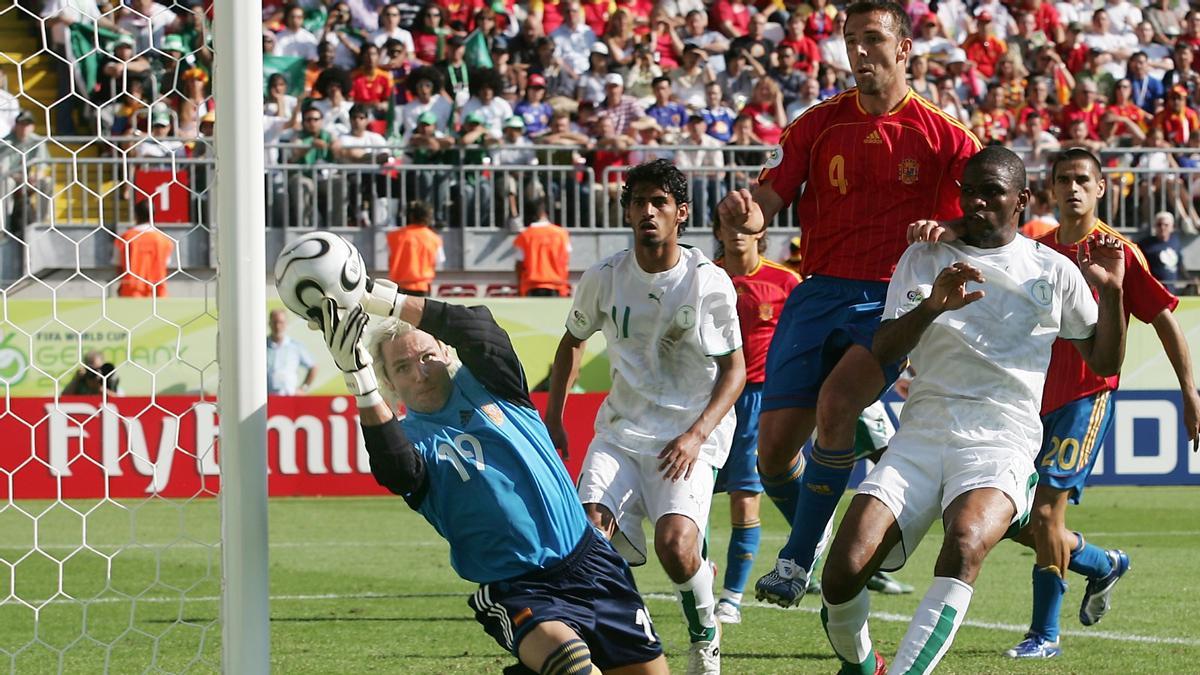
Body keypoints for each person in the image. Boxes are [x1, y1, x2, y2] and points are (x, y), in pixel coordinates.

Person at [820, 146, 1128, 674]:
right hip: (921, 436)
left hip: (1000, 441)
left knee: (963, 543)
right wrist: (932, 306)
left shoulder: (1050, 270)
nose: (978, 201)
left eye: (992, 192)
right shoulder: (924, 257)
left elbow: (1103, 360)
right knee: (841, 574)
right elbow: (886, 350)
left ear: (1022, 200)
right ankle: (863, 665)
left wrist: (1115, 296)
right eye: (970, 190)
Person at [716, 0, 981, 608]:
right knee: (774, 452)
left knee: (838, 406)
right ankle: (821, 531)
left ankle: (798, 556)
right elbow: (768, 197)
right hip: (816, 294)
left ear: (904, 47)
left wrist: (950, 229)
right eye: (851, 41)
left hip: (890, 298)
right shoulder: (817, 124)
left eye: (873, 40)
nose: (860, 52)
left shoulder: (945, 136)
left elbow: (987, 213)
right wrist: (749, 211)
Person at [321, 281, 667, 675]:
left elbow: (479, 329)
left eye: (427, 356)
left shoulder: (493, 384)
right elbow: (394, 467)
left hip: (593, 562)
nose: (419, 372)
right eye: (402, 367)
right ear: (389, 382)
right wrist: (358, 379)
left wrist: (377, 298)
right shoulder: (410, 438)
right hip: (520, 588)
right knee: (569, 662)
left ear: (446, 352)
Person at [546, 160, 745, 674]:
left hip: (686, 435)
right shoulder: (605, 277)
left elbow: (734, 371)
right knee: (588, 537)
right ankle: (613, 648)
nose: (647, 211)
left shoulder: (708, 282)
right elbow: (572, 343)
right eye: (638, 202)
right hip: (620, 432)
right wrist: (554, 418)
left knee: (676, 549)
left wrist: (697, 436)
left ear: (681, 213)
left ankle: (705, 636)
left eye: (659, 202)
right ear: (627, 212)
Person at [1005, 149, 1200, 659]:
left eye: (1082, 180)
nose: (1073, 188)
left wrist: (1189, 389)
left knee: (1046, 510)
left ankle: (1044, 635)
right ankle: (1100, 563)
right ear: (1049, 189)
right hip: (1030, 405)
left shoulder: (1117, 251)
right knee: (1007, 516)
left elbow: (1162, 318)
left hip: (1086, 398)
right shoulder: (1036, 252)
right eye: (1063, 179)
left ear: (1101, 189)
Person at [709, 207, 799, 626]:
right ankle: (700, 571)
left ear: (762, 232)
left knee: (745, 501)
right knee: (690, 497)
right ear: (718, 231)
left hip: (759, 402)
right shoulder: (702, 278)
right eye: (731, 225)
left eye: (748, 226)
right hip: (707, 400)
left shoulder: (785, 281)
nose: (739, 233)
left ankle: (731, 597)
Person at [114, 198, 175, 298]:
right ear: (154, 215)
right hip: (157, 293)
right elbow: (165, 265)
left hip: (131, 291)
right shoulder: (164, 240)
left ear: (135, 215)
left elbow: (118, 266)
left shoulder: (125, 238)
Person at [513, 197, 571, 297]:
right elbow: (565, 261)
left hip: (531, 287)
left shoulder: (524, 236)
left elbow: (519, 264)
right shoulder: (561, 234)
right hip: (556, 287)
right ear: (544, 213)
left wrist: (519, 288)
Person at [386, 200, 443, 296]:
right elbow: (439, 260)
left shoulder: (394, 236)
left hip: (398, 287)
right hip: (423, 287)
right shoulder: (434, 238)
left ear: (411, 216)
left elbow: (388, 257)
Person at [266, 308, 318, 395]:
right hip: (266, 399)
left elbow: (313, 367)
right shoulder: (262, 346)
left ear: (286, 324)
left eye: (281, 322)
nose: (277, 326)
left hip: (289, 397)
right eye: (275, 322)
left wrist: (303, 388)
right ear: (269, 323)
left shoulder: (295, 346)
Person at [1139, 211, 1192, 293]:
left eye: (1166, 225)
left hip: (1171, 290)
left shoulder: (1175, 242)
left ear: (1172, 227)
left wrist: (1189, 279)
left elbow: (1180, 263)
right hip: (1153, 291)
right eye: (1159, 224)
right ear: (1155, 226)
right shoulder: (1145, 244)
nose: (1162, 227)